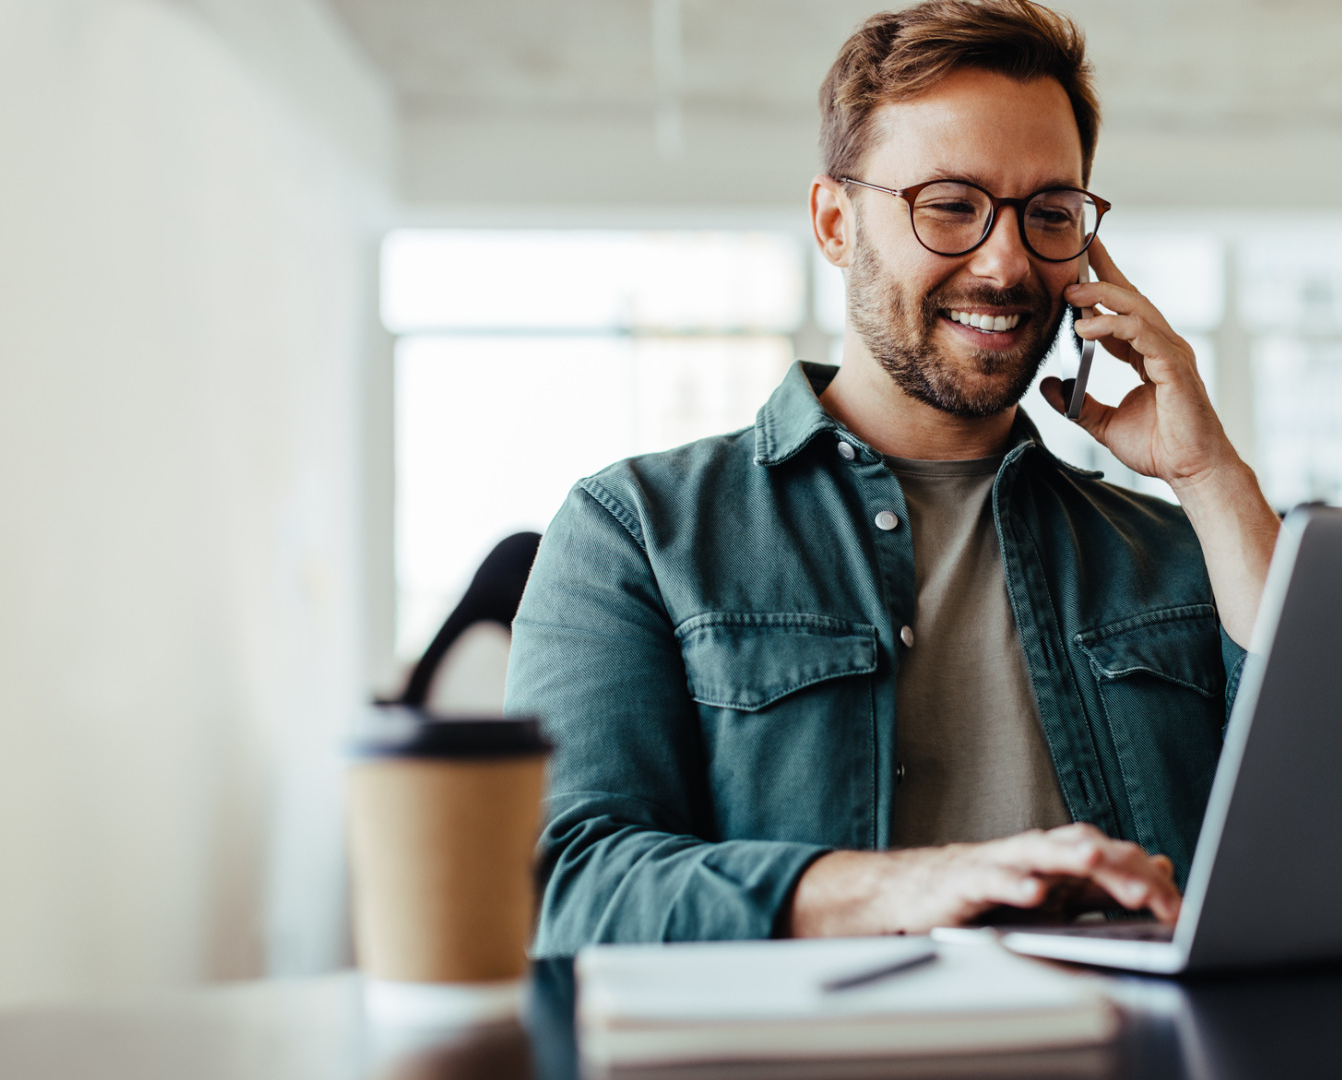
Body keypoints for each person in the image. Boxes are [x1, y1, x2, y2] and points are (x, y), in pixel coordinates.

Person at [507, 0, 1280, 956]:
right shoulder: (636, 532)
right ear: (836, 223)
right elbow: (567, 887)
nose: (1006, 264)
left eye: (1049, 214)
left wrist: (1208, 474)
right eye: (950, 205)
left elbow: (1337, 820)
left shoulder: (1179, 552)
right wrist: (913, 884)